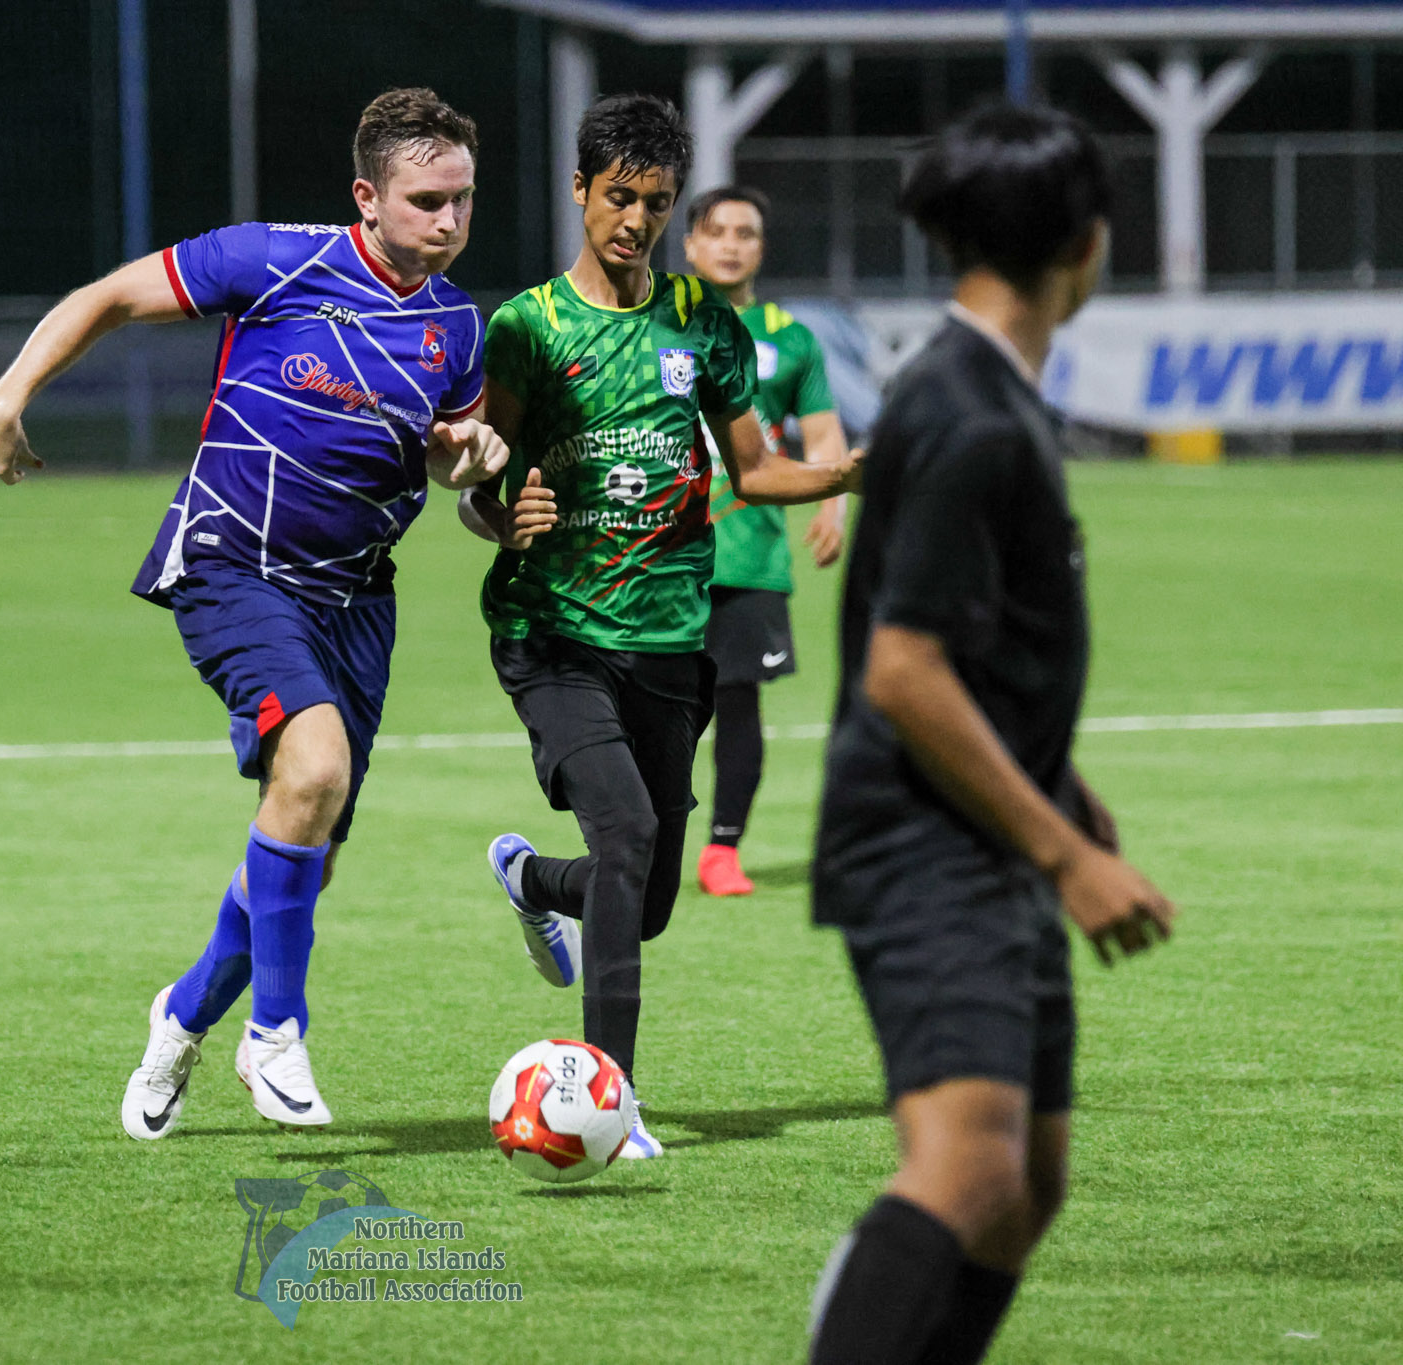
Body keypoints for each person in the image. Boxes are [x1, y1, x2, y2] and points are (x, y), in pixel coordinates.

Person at [0, 88, 527, 1139]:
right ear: (367, 197)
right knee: (312, 774)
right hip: (234, 561)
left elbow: (453, 470)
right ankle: (274, 1033)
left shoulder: (455, 326)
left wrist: (478, 470)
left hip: (357, 601)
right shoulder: (270, 259)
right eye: (425, 201)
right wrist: (9, 394)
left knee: (301, 834)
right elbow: (105, 298)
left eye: (462, 199)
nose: (448, 221)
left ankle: (181, 1018)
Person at [804, 102, 1176, 1364]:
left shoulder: (981, 392)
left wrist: (1053, 786)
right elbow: (905, 674)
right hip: (922, 840)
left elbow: (965, 642)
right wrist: (1067, 857)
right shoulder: (966, 411)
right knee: (966, 1168)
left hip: (987, 824)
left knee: (1026, 1191)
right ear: (1084, 242)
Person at [463, 94, 862, 1158]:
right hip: (550, 633)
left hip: (667, 638)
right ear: (580, 191)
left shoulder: (701, 322)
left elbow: (754, 468)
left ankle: (531, 879)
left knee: (638, 906)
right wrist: (505, 516)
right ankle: (612, 1100)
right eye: (616, 198)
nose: (632, 220)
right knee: (628, 836)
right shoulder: (528, 327)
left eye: (652, 202)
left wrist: (842, 475)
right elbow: (473, 480)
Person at [679, 185, 854, 898]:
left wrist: (835, 497)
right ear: (690, 244)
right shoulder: (657, 323)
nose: (730, 243)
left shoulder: (791, 337)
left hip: (750, 556)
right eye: (715, 231)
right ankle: (644, 831)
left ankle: (723, 848)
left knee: (740, 702)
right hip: (655, 551)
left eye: (745, 232)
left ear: (761, 247)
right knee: (656, 704)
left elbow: (822, 434)